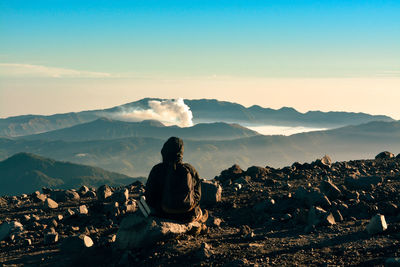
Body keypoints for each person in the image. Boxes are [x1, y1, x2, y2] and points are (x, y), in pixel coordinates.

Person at [145, 136, 207, 223]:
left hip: (163, 213)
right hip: (187, 214)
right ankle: (197, 216)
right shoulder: (190, 169)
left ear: (164, 151)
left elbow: (149, 196)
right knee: (201, 211)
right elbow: (198, 195)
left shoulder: (157, 169)